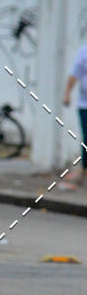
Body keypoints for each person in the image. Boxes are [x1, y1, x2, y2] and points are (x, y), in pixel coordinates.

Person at [62, 43, 87, 188]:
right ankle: (84, 170)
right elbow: (74, 74)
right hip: (85, 105)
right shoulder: (84, 52)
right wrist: (67, 94)